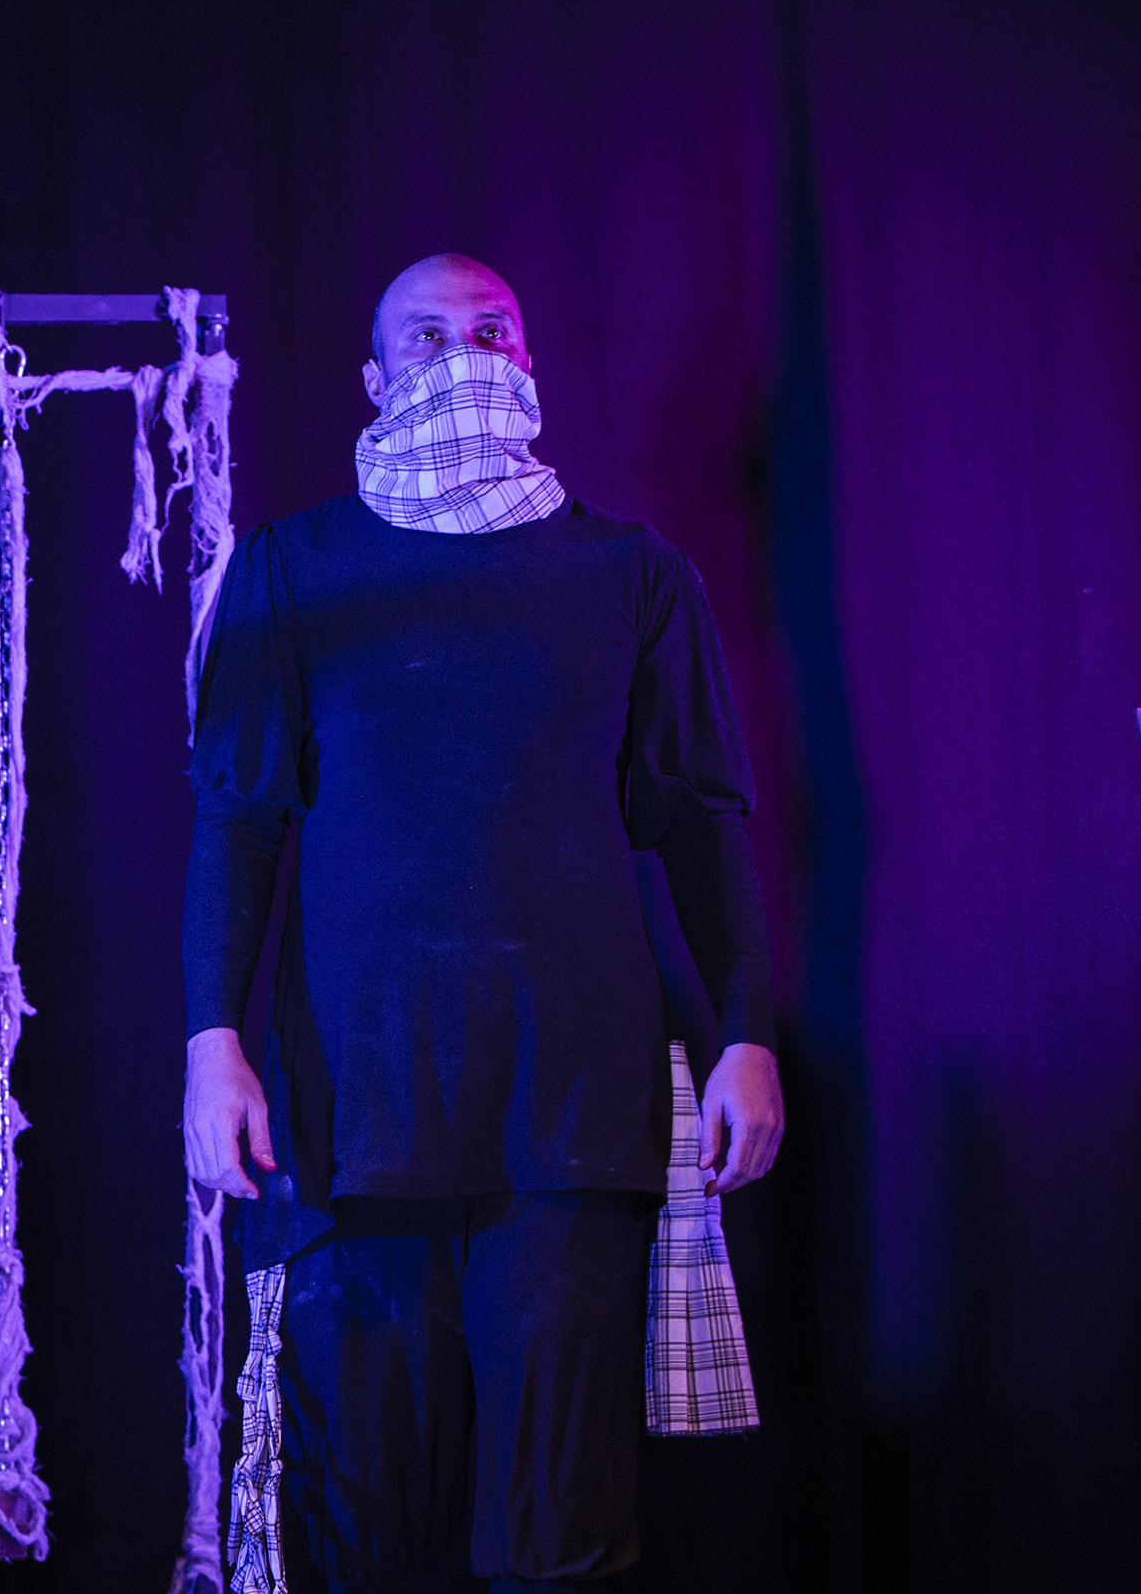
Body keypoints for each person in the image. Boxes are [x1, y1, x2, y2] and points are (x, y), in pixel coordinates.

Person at [182, 254, 785, 1593]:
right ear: (374, 377)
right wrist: (211, 1039)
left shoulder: (632, 574)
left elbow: (699, 821)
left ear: (528, 359)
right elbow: (237, 819)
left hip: (572, 1105)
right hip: (355, 1107)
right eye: (427, 335)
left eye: (490, 331)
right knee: (359, 1525)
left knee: (561, 1526)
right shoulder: (295, 568)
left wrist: (746, 1033)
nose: (462, 355)